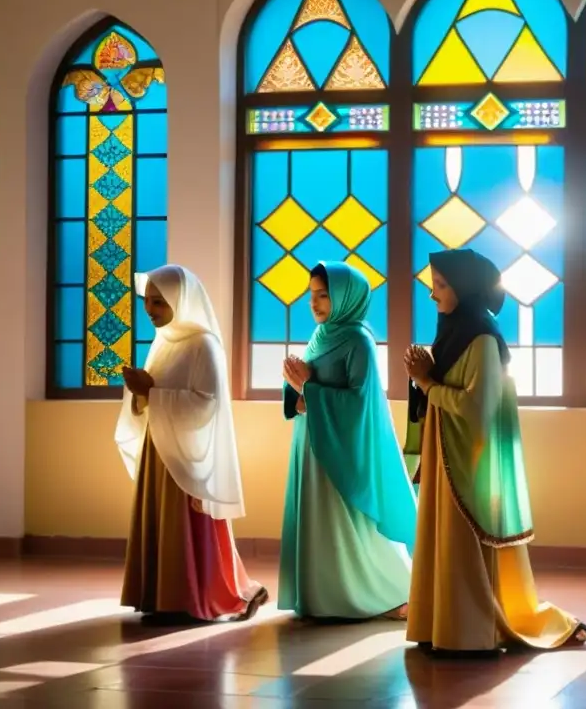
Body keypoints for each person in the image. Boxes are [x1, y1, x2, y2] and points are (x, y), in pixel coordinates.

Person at [404, 248, 586, 654]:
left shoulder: (483, 341)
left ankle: (468, 632)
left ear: (465, 289)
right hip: (446, 460)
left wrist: (428, 383)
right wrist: (423, 378)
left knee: (462, 545)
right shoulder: (453, 334)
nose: (433, 296)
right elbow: (439, 392)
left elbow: (478, 409)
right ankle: (439, 625)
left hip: (469, 464)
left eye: (441, 286)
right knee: (442, 542)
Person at [115, 264, 267, 623]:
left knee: (185, 527)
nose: (150, 310)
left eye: (159, 302)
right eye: (147, 302)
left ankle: (193, 596)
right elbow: (151, 395)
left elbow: (206, 403)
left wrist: (151, 391)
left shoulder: (204, 345)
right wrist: (141, 393)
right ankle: (159, 596)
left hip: (187, 456)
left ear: (180, 301)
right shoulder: (163, 342)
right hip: (160, 449)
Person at [279, 262, 416, 620]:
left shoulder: (358, 341)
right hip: (311, 445)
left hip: (342, 449)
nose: (315, 302)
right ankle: (321, 596)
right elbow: (305, 389)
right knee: (318, 520)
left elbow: (361, 401)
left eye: (324, 295)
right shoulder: (319, 336)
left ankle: (380, 594)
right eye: (312, 294)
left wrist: (308, 386)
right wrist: (295, 385)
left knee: (347, 523)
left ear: (345, 297)